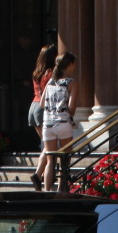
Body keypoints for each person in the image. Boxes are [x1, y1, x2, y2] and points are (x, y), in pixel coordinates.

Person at [38, 52, 78, 193]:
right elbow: (72, 108)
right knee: (65, 159)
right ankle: (62, 189)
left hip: (47, 123)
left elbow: (42, 103)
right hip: (63, 122)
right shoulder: (71, 83)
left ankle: (47, 190)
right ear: (70, 64)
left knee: (50, 160)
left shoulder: (50, 81)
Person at [27, 43, 57, 190]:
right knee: (49, 147)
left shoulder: (36, 72)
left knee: (46, 146)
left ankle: (42, 180)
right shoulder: (50, 73)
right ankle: (38, 175)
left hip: (33, 107)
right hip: (42, 108)